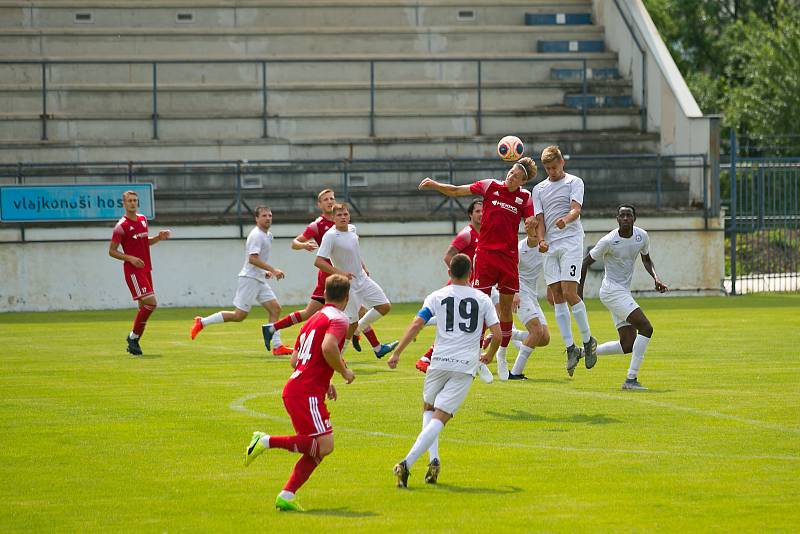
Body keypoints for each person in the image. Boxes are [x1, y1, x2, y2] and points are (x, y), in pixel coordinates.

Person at [387, 253, 501, 488]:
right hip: (464, 365)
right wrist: (489, 356)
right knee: (441, 416)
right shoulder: (482, 298)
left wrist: (397, 352)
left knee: (429, 408)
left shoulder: (436, 296)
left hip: (438, 362)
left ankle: (434, 461)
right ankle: (406, 463)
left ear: (449, 273)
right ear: (471, 273)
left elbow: (417, 323)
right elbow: (498, 334)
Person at [244, 274, 355, 512]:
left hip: (298, 388)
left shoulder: (314, 318)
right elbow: (328, 347)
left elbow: (295, 360)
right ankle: (264, 441)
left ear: (324, 295)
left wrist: (325, 381)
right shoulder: (340, 319)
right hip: (306, 393)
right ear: (347, 297)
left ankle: (287, 494)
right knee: (324, 445)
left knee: (320, 446)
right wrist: (344, 371)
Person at [418, 157, 537, 379]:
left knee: (505, 308)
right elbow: (456, 191)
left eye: (516, 176)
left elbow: (531, 230)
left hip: (509, 258)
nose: (510, 177)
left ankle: (500, 355)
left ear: (523, 181)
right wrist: (435, 184)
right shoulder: (490, 185)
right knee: (478, 306)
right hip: (485, 257)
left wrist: (532, 228)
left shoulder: (525, 197)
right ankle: (473, 357)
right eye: (510, 172)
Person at [261, 189, 393, 357]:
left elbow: (352, 251)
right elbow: (295, 243)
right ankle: (367, 347)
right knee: (326, 315)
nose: (330, 201)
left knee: (355, 313)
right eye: (325, 199)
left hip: (348, 276)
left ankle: (375, 347)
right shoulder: (318, 226)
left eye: (332, 198)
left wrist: (362, 265)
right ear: (320, 204)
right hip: (329, 279)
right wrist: (304, 245)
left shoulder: (348, 227)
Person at [578, 205, 668, 390]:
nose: (625, 218)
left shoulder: (641, 236)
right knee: (646, 328)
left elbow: (646, 259)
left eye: (629, 215)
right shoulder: (609, 240)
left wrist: (656, 278)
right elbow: (585, 262)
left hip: (622, 292)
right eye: (622, 215)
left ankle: (580, 352)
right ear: (617, 219)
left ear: (634, 218)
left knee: (628, 344)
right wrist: (579, 294)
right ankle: (631, 380)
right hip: (612, 291)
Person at [532, 145, 596, 377]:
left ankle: (588, 340)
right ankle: (571, 348)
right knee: (556, 294)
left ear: (562, 163)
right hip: (550, 245)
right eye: (547, 168)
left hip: (570, 239)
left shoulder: (574, 182)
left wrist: (565, 220)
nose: (552, 171)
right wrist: (540, 240)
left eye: (555, 167)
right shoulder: (538, 189)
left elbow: (576, 210)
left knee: (570, 291)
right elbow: (539, 218)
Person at [190, 206, 290, 354]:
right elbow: (252, 259)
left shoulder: (268, 235)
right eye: (264, 215)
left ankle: (277, 346)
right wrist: (272, 270)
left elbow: (258, 259)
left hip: (258, 278)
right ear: (257, 219)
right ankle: (202, 322)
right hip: (249, 279)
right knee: (239, 316)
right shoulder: (256, 235)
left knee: (275, 308)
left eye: (270, 215)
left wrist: (265, 272)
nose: (268, 218)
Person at [314, 203, 396, 357]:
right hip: (349, 285)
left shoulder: (352, 229)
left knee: (384, 306)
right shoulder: (330, 236)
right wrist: (340, 273)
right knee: (351, 323)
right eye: (339, 215)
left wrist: (363, 266)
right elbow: (318, 261)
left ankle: (359, 331)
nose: (343, 217)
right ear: (333, 218)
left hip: (363, 279)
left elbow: (354, 252)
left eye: (345, 214)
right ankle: (339, 356)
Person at [415, 199, 483, 373]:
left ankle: (426, 331)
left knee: (466, 323)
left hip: (473, 287)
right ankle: (426, 353)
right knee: (455, 324)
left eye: (484, 211)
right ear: (470, 214)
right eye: (477, 211)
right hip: (460, 286)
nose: (481, 214)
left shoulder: (485, 234)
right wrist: (462, 279)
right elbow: (448, 256)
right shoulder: (466, 234)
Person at [108, 190, 171, 356]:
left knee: (144, 306)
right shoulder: (121, 226)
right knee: (151, 303)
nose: (133, 203)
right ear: (124, 203)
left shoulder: (143, 220)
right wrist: (130, 258)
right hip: (133, 271)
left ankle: (133, 341)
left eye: (135, 200)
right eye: (129, 201)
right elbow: (112, 251)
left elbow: (145, 242)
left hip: (146, 269)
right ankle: (133, 338)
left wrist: (158, 237)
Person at [506, 222, 551, 380]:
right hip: (519, 292)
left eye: (537, 229)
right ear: (526, 230)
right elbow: (508, 271)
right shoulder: (519, 249)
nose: (534, 233)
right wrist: (514, 293)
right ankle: (515, 373)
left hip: (532, 294)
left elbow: (551, 266)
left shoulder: (544, 247)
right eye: (530, 229)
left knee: (544, 339)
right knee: (536, 331)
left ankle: (508, 334)